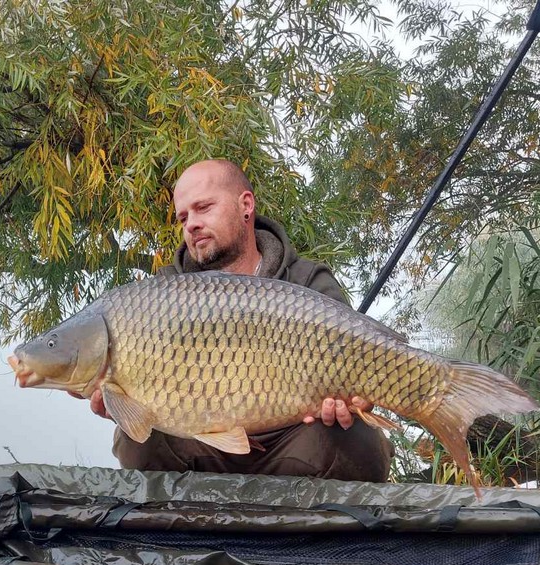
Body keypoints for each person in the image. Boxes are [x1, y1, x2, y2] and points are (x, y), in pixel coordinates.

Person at [80, 159, 393, 482]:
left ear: (245, 205)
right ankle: (183, 518)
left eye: (203, 208)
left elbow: (358, 360)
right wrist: (124, 405)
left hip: (293, 443)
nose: (191, 225)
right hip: (200, 447)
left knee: (360, 441)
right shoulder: (162, 293)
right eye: (183, 217)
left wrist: (358, 397)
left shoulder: (307, 279)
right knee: (136, 443)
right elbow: (137, 408)